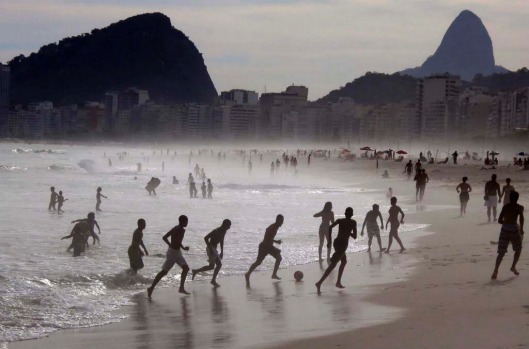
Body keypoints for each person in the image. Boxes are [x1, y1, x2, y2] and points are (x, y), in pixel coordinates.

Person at [315, 207, 357, 294]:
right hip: (343, 244)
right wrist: (348, 232)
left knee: (344, 261)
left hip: (336, 242)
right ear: (352, 214)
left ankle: (338, 282)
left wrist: (330, 241)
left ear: (345, 214)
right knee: (333, 265)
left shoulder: (340, 220)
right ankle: (319, 283)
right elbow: (355, 236)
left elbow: (330, 228)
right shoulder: (353, 222)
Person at [147, 215, 191, 297]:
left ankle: (181, 288)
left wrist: (180, 247)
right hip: (172, 253)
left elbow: (165, 237)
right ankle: (151, 288)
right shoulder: (181, 230)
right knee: (164, 272)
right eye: (186, 221)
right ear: (183, 222)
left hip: (176, 252)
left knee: (186, 268)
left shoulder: (176, 227)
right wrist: (175, 246)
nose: (187, 223)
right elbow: (175, 240)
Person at [491, 191, 524, 280]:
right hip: (514, 230)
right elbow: (521, 219)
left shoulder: (505, 207)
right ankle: (513, 266)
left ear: (509, 198)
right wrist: (521, 229)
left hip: (504, 229)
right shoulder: (519, 207)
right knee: (518, 249)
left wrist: (506, 223)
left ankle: (495, 270)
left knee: (501, 252)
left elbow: (499, 220)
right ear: (517, 198)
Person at [245, 215, 284, 286]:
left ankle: (274, 274)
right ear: (277, 220)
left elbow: (269, 238)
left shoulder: (276, 227)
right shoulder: (272, 227)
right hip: (264, 247)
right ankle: (247, 274)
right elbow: (267, 238)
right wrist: (276, 242)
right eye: (281, 221)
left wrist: (275, 244)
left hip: (269, 247)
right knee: (258, 262)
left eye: (282, 221)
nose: (282, 222)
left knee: (279, 258)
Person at [192, 219, 232, 287]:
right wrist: (210, 249)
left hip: (214, 249)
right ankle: (213, 280)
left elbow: (222, 240)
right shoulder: (216, 231)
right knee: (218, 264)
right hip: (210, 248)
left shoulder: (224, 231)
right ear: (224, 225)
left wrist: (222, 252)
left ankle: (196, 271)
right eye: (228, 226)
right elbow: (205, 238)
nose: (229, 227)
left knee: (211, 266)